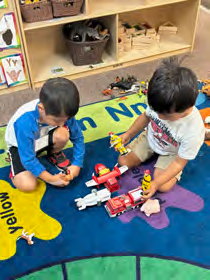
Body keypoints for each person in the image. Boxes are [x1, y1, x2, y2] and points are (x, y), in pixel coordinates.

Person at [118, 57, 205, 199]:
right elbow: (145, 117)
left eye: (166, 115)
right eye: (156, 111)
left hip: (172, 152)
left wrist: (156, 183)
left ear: (187, 108)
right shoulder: (160, 103)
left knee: (163, 186)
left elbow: (179, 162)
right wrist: (128, 134)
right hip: (150, 137)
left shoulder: (193, 132)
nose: (159, 116)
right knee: (123, 162)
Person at [5, 77, 85, 192]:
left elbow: (78, 138)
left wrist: (77, 164)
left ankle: (53, 153)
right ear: (40, 109)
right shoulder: (24, 122)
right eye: (57, 121)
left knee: (63, 134)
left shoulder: (61, 112)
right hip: (20, 147)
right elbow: (27, 159)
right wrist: (51, 179)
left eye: (66, 119)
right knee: (27, 185)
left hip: (41, 138)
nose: (62, 123)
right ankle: (13, 162)